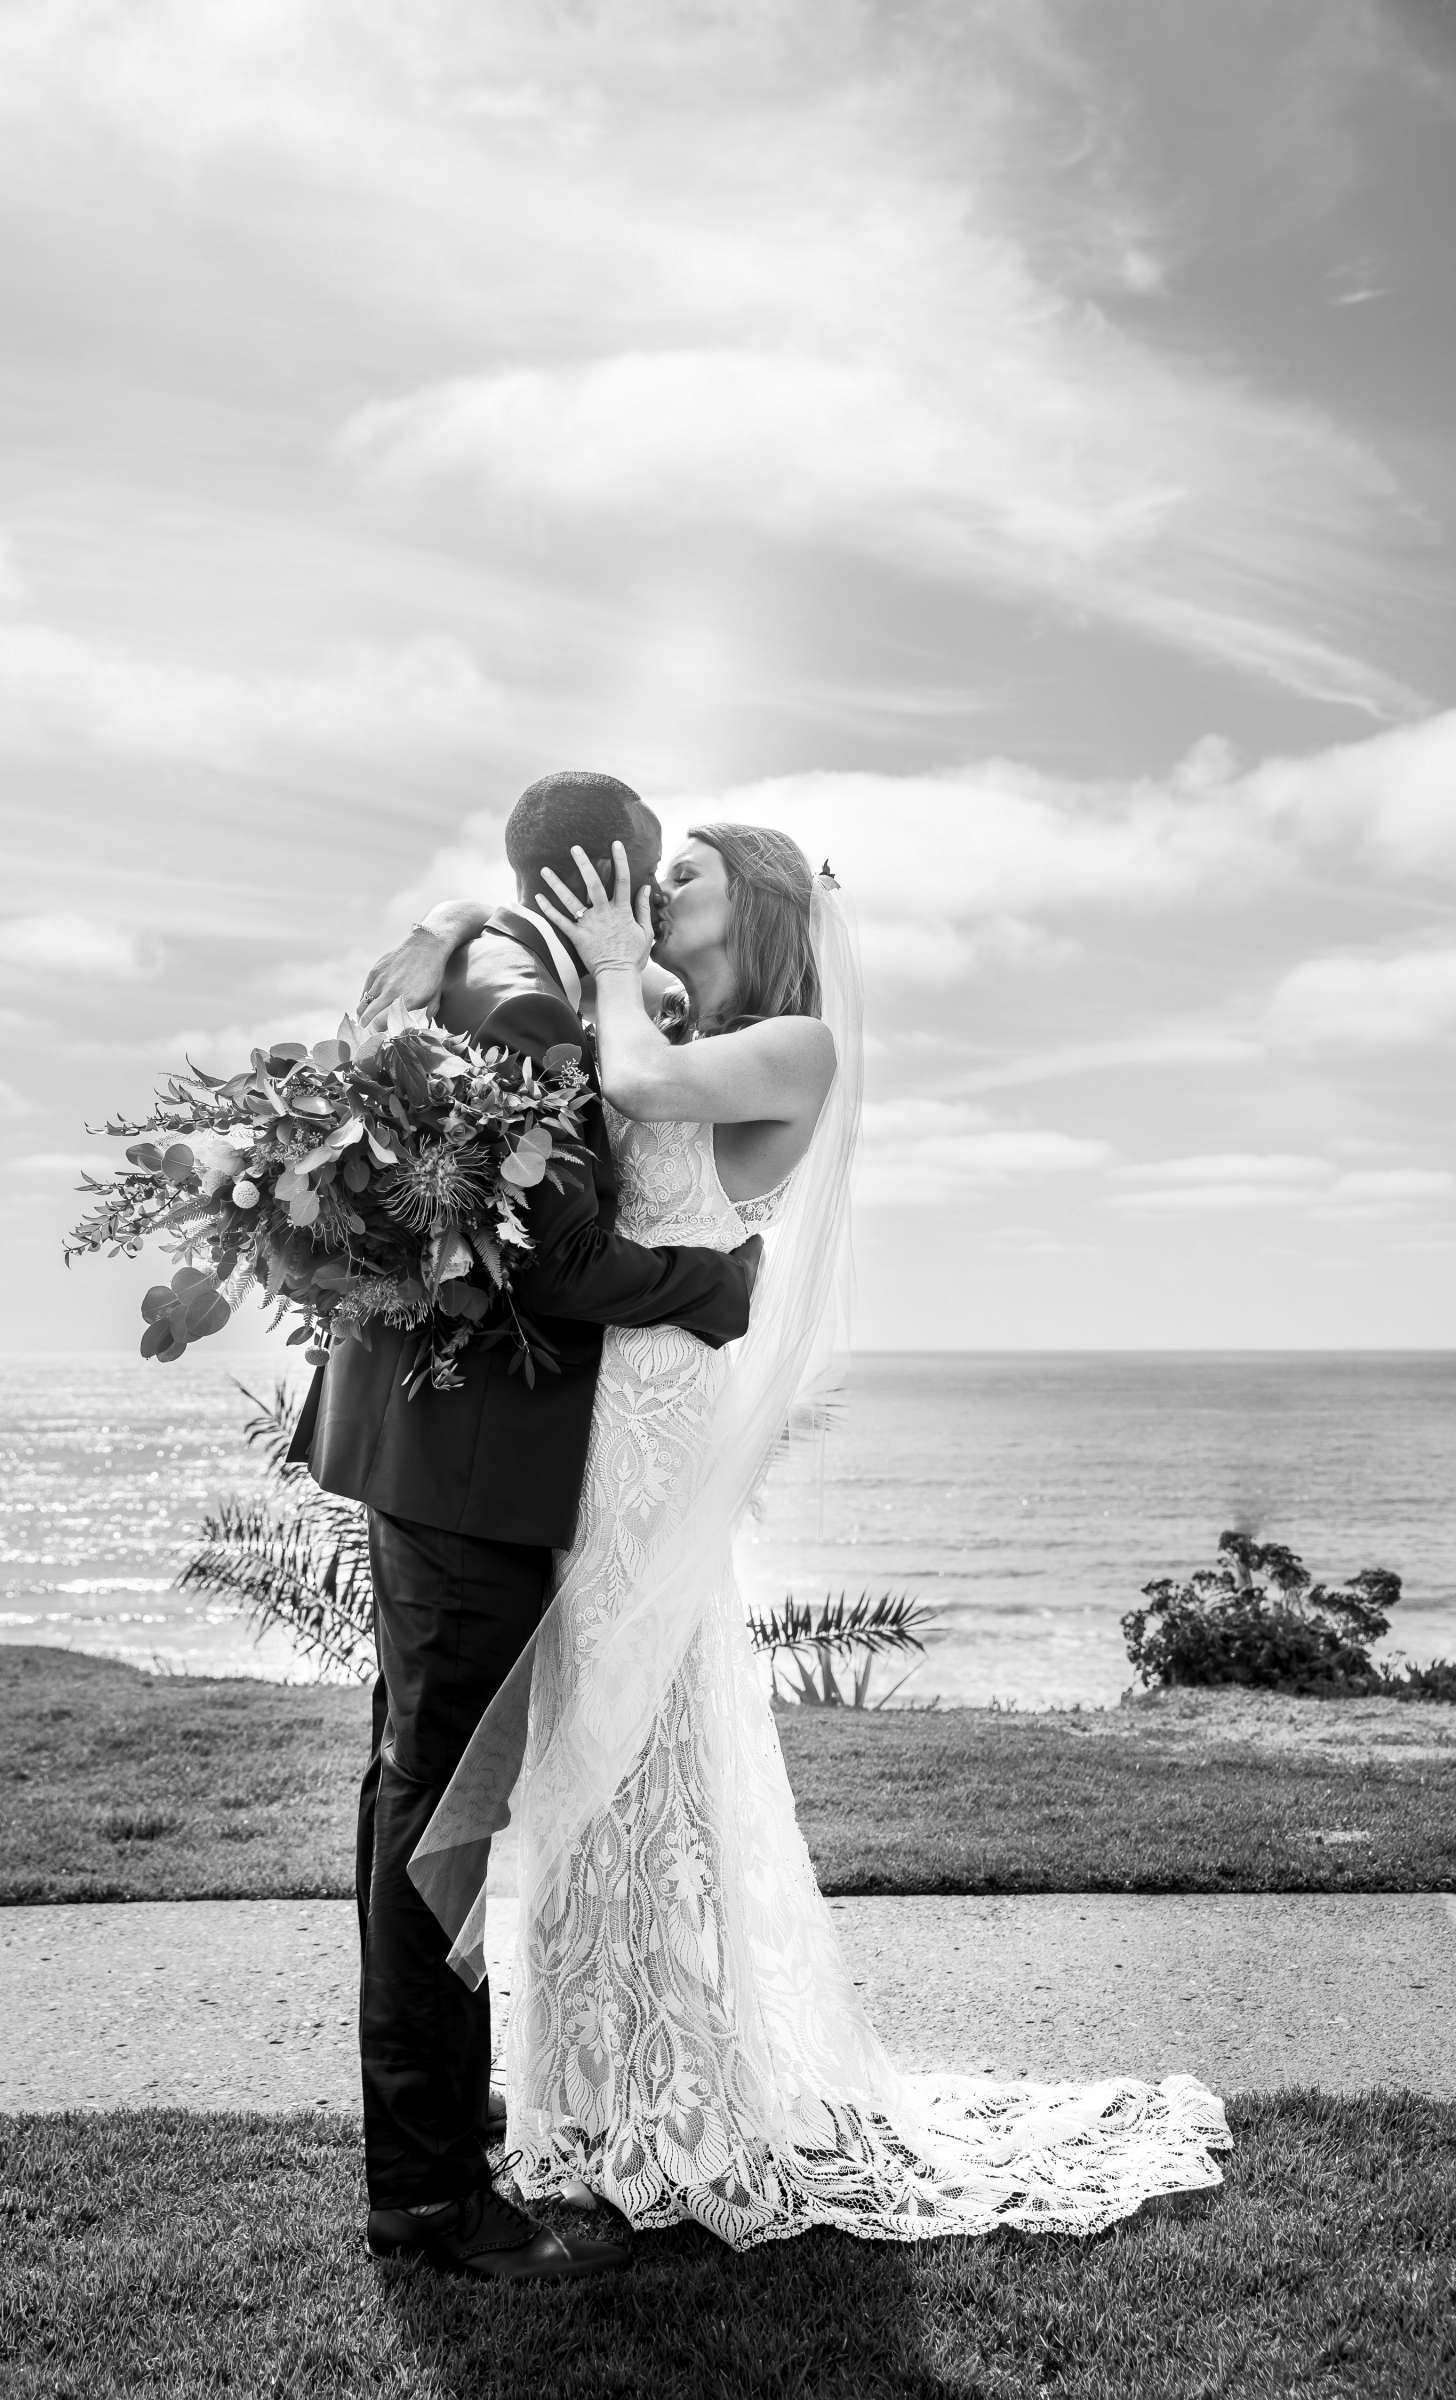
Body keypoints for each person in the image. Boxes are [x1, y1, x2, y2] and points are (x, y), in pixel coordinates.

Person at [374, 813, 1232, 2251]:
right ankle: (586, 2095)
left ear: (754, 910)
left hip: (649, 1432)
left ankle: (675, 2091)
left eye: (686, 873)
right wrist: (474, 925)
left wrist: (604, 967)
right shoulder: (655, 1005)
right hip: (589, 1412)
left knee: (640, 1745)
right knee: (592, 1755)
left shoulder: (790, 1044)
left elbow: (636, 1082)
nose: (657, 889)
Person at [288, 769, 763, 2281]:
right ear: (608, 876)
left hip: (430, 1457)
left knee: (410, 1801)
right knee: (439, 1822)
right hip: (473, 1472)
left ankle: (430, 2150)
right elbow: (556, 1267)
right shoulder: (533, 1013)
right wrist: (713, 1285)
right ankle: (430, 2201)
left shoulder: (465, 951)